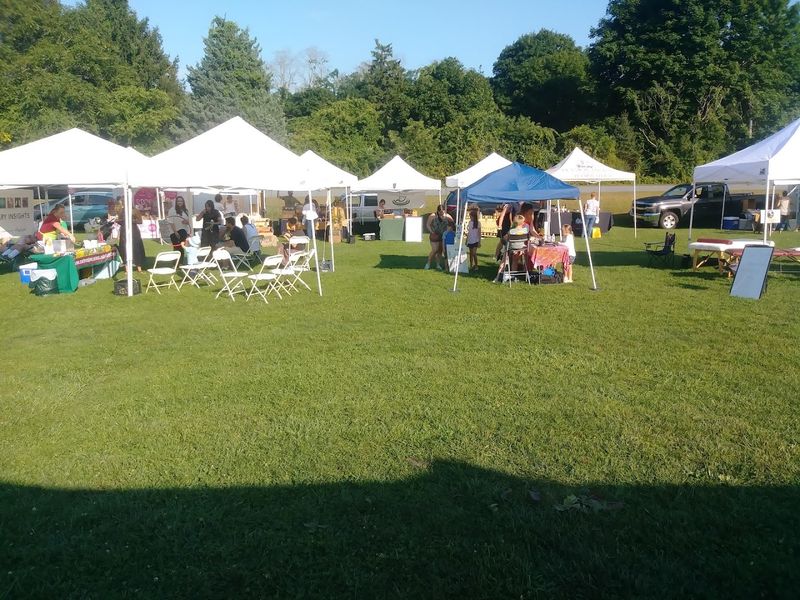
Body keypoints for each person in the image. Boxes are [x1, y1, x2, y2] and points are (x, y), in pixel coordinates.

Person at [116, 199, 146, 272]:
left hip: (134, 231)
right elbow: (119, 220)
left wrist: (131, 220)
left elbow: (140, 221)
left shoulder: (135, 210)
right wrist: (119, 221)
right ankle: (127, 269)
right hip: (124, 231)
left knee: (136, 248)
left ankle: (139, 268)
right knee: (124, 248)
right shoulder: (121, 211)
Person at [425, 205, 453, 270]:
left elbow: (452, 223)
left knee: (440, 251)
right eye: (440, 212)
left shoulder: (447, 216)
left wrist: (448, 231)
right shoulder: (432, 216)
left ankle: (438, 264)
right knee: (435, 250)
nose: (442, 213)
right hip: (434, 235)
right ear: (437, 211)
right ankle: (428, 263)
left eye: (443, 212)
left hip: (443, 236)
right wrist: (431, 231)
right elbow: (427, 224)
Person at [466, 207, 481, 271]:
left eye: (471, 216)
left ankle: (476, 265)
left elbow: (479, 233)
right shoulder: (469, 222)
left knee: (474, 253)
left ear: (474, 217)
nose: (470, 217)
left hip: (476, 240)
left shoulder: (478, 223)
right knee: (471, 253)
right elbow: (469, 232)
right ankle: (471, 265)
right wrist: (466, 240)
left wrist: (479, 241)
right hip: (470, 240)